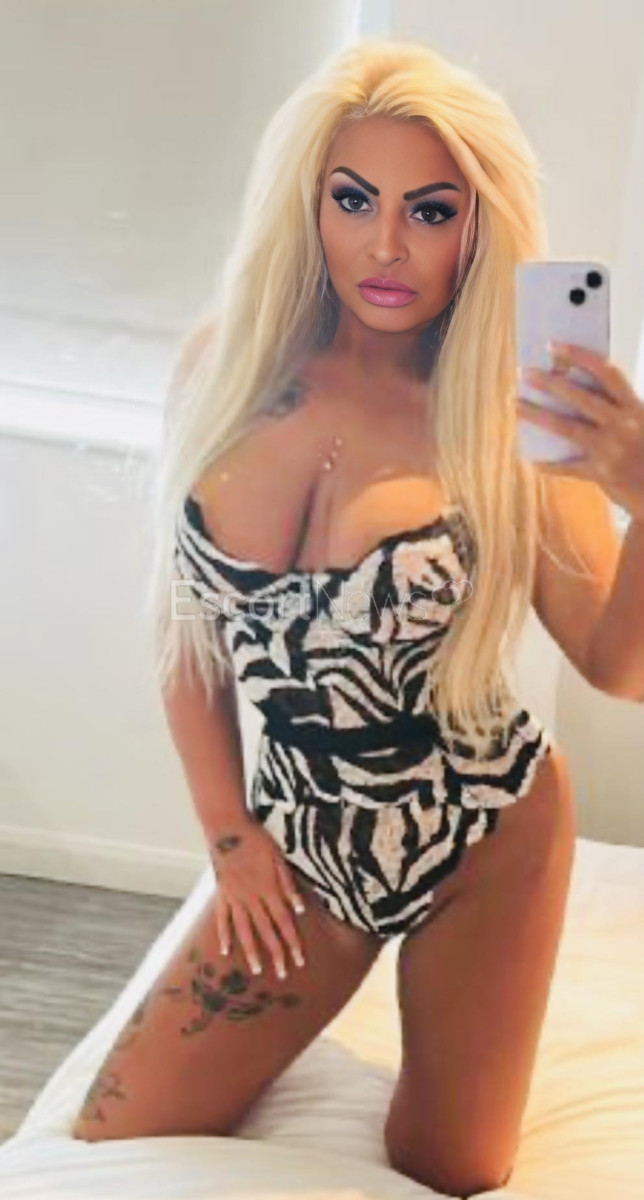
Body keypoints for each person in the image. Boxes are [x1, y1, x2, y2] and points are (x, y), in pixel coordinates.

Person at [72, 36, 632, 1198]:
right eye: (352, 199)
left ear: (476, 225)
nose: (384, 246)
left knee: (450, 1167)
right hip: (306, 839)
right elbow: (188, 634)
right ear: (307, 202)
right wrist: (233, 841)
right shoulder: (225, 365)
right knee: (113, 1138)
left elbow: (616, 666)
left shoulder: (508, 408)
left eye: (429, 211)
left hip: (482, 834)